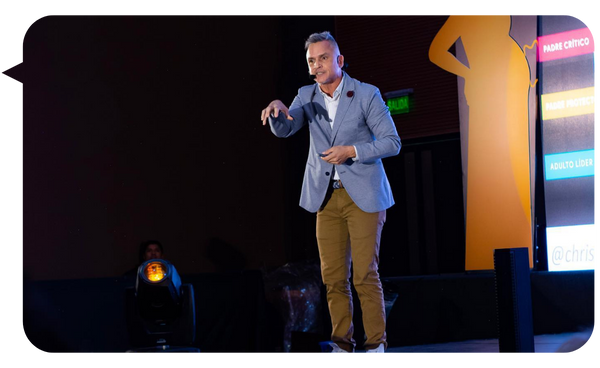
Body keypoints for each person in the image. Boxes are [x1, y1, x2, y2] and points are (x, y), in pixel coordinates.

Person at [261, 31, 401, 356]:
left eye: (323, 58)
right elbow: (287, 128)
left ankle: (376, 345)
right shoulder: (306, 94)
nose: (317, 65)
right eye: (311, 60)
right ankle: (342, 346)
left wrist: (352, 150)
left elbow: (392, 142)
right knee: (333, 278)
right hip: (327, 196)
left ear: (338, 60)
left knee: (365, 274)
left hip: (363, 194)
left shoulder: (366, 94)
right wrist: (277, 110)